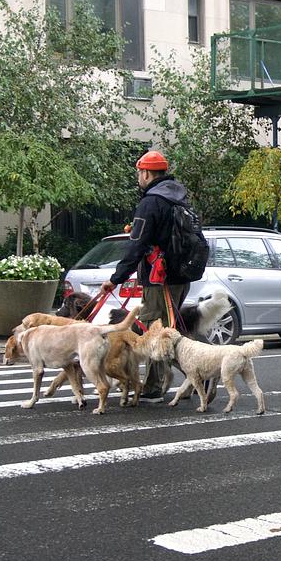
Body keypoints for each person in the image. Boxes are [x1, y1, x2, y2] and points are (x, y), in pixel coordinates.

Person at [99, 149, 197, 402]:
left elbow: (137, 245)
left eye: (139, 173)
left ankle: (157, 386)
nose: (138, 178)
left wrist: (116, 278)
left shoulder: (151, 201)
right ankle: (192, 377)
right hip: (181, 276)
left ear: (145, 173)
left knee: (155, 332)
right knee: (167, 330)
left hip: (159, 278)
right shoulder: (180, 197)